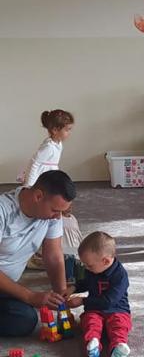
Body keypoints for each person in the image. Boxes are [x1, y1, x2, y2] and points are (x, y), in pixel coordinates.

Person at [0, 170, 76, 336]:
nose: (58, 217)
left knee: (25, 319)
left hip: (5, 287)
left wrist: (61, 300)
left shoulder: (51, 216)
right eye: (55, 210)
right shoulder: (3, 211)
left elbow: (53, 256)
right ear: (38, 196)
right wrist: (29, 296)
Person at [22, 108, 81, 273]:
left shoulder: (58, 144)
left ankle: (48, 247)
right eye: (67, 129)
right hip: (43, 183)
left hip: (52, 180)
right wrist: (29, 185)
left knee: (54, 213)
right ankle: (36, 252)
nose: (69, 133)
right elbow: (34, 163)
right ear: (55, 130)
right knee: (43, 214)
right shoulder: (48, 146)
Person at [68, 231, 131, 357]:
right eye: (85, 265)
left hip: (117, 309)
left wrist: (82, 301)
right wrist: (73, 288)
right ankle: (93, 344)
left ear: (105, 261)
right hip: (95, 310)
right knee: (90, 322)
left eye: (89, 265)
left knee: (119, 325)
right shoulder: (93, 269)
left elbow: (108, 301)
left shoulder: (120, 275)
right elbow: (86, 282)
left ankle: (118, 347)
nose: (86, 268)